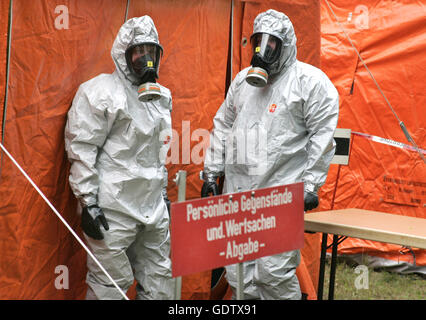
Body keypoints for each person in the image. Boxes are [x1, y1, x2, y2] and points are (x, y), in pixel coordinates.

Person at [201, 9, 339, 300]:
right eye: (258, 42)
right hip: (237, 193)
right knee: (239, 275)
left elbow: (322, 137)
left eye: (272, 43)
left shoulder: (309, 83)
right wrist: (212, 173)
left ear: (285, 45)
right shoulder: (242, 83)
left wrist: (311, 184)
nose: (263, 50)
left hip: (280, 193)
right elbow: (222, 125)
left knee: (273, 273)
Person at [64, 16, 174, 300]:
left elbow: (157, 153)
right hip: (113, 210)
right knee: (110, 285)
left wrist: (162, 194)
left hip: (152, 208)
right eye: (138, 52)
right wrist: (88, 202)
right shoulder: (100, 92)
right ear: (124, 55)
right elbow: (82, 147)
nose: (146, 59)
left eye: (151, 51)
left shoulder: (161, 98)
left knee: (160, 280)